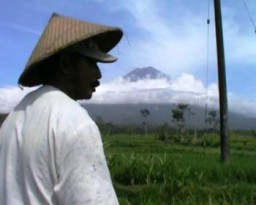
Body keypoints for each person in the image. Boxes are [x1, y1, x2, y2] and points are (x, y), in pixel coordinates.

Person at [0, 13, 123, 205]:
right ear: (66, 64)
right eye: (91, 63)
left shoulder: (12, 119)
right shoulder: (74, 121)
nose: (98, 73)